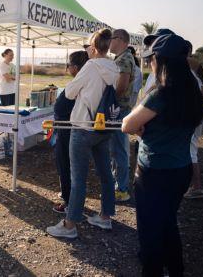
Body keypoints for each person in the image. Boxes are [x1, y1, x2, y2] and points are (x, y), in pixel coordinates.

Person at [122, 34, 203, 276]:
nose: (150, 64)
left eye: (152, 59)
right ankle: (176, 270)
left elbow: (127, 124)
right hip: (181, 170)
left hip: (154, 172)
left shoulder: (161, 93)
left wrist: (140, 127)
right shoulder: (192, 92)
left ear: (161, 61)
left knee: (150, 231)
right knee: (168, 223)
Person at [46, 28, 119, 238]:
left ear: (94, 48)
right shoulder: (114, 66)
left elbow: (69, 92)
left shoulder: (90, 66)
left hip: (83, 126)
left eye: (89, 46)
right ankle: (105, 216)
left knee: (78, 177)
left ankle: (69, 225)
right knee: (105, 173)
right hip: (103, 126)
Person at [52, 50, 89, 214]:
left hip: (69, 129)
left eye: (68, 65)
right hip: (75, 128)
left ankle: (69, 203)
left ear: (75, 67)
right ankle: (73, 200)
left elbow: (60, 107)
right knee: (74, 167)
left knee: (66, 165)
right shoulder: (89, 80)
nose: (67, 68)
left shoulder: (79, 82)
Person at [109, 29, 136, 202]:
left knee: (119, 150)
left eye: (111, 39)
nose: (109, 42)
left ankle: (122, 189)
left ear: (120, 40)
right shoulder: (121, 58)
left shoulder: (125, 59)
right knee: (116, 149)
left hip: (119, 109)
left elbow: (122, 85)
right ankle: (117, 184)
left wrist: (110, 101)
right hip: (119, 109)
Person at [184, 40, 203, 199]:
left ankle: (197, 187)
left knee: (190, 152)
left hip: (190, 116)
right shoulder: (196, 67)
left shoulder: (187, 68)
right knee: (189, 150)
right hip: (196, 114)